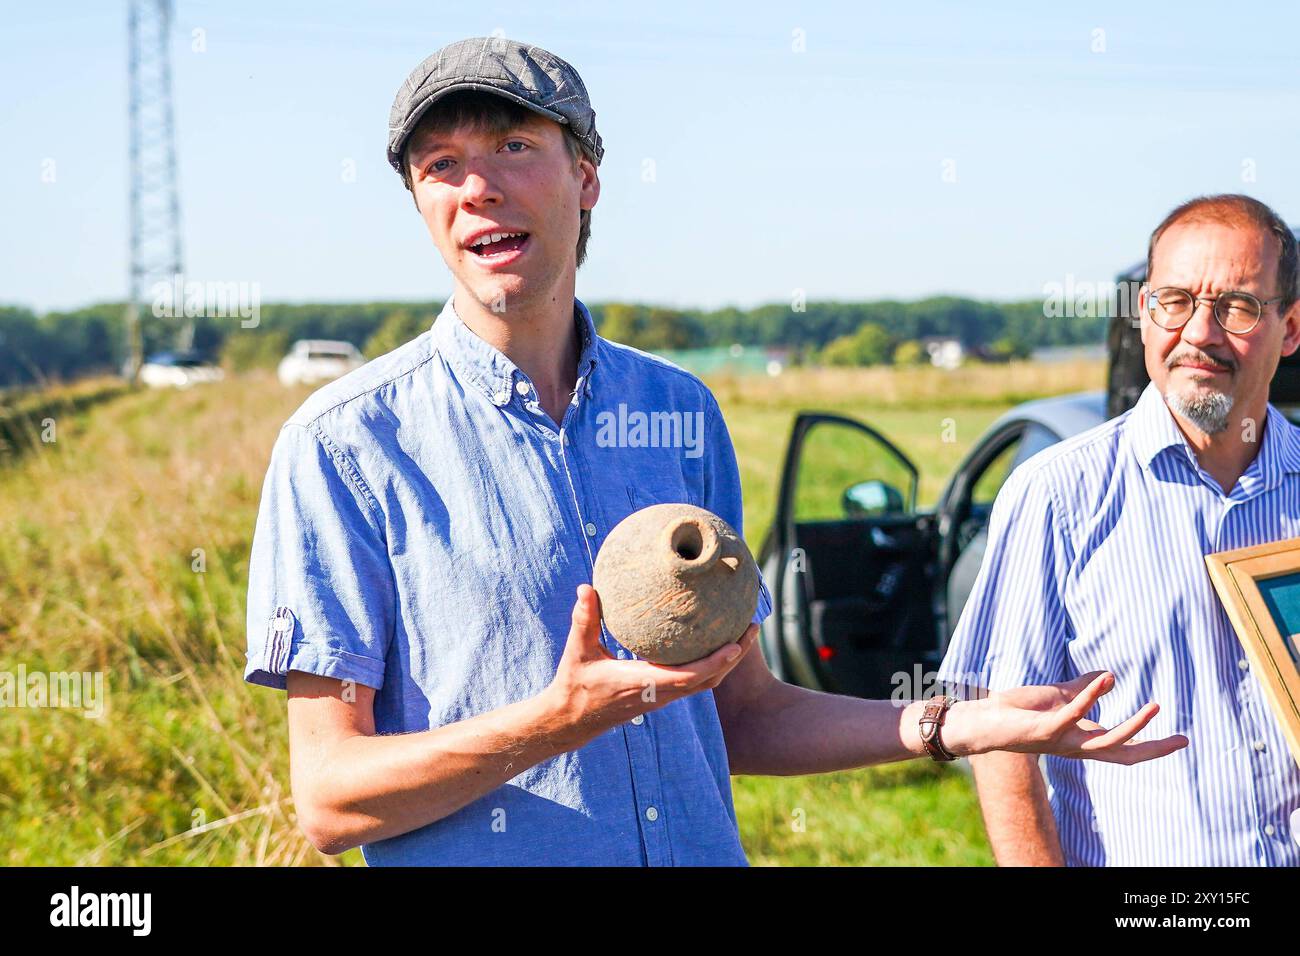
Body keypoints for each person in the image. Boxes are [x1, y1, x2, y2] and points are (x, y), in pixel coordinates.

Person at [244, 36, 1185, 866]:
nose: (478, 186)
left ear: (587, 178)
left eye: (515, 147)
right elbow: (330, 799)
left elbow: (742, 714)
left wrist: (958, 724)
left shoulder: (678, 412)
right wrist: (557, 721)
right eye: (441, 164)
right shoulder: (345, 446)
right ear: (419, 202)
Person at [938, 194, 1300, 866]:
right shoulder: (1058, 495)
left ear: (1292, 327)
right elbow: (1001, 741)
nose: (1200, 332)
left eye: (1238, 306)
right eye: (1175, 301)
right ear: (1144, 313)